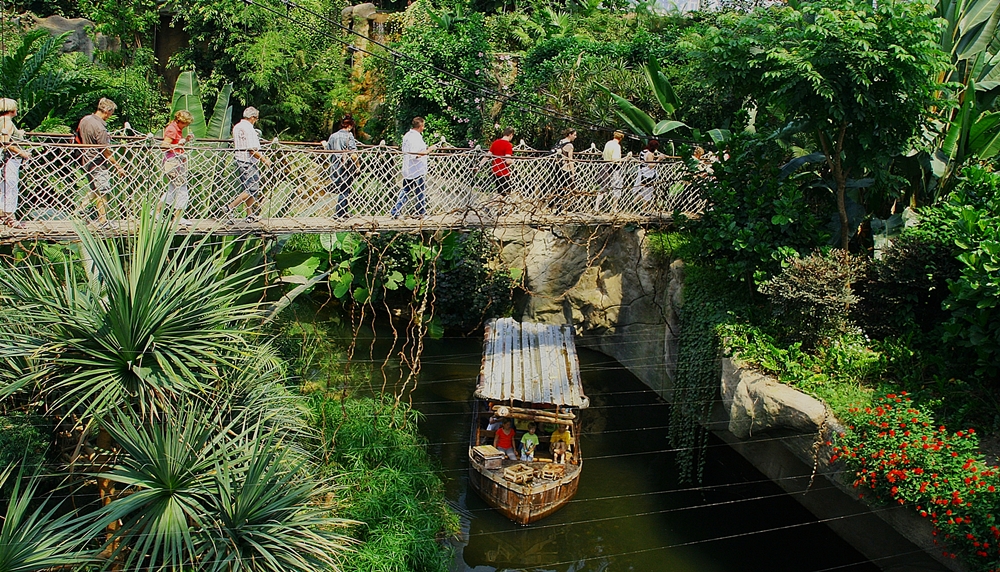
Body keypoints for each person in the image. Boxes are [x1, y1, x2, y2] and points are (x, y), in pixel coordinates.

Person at [76, 98, 126, 228]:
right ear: (107, 111)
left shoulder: (85, 120)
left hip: (85, 159)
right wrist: (118, 166)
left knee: (95, 189)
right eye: (111, 113)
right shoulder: (100, 128)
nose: (111, 116)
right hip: (97, 162)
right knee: (103, 191)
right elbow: (105, 151)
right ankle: (103, 220)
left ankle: (80, 210)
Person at [222, 107, 272, 223]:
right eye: (256, 119)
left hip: (240, 159)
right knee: (252, 188)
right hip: (249, 161)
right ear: (253, 118)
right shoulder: (249, 129)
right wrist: (265, 160)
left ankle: (250, 214)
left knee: (249, 188)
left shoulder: (237, 127)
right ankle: (229, 207)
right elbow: (251, 149)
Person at [390, 116, 438, 219]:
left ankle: (396, 211)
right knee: (420, 191)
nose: (424, 128)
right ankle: (421, 212)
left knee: (406, 190)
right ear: (420, 126)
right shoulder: (415, 137)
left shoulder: (407, 135)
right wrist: (430, 149)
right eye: (423, 125)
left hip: (409, 169)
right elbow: (415, 154)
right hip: (416, 169)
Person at [0, 98, 31, 228]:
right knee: (11, 188)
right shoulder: (7, 122)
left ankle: (3, 215)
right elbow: (5, 141)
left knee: (3, 188)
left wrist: (19, 133)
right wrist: (22, 153)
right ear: (11, 109)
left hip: (5, 160)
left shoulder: (3, 121)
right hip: (10, 160)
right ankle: (10, 217)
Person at [160, 110, 195, 226]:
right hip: (173, 162)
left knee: (172, 190)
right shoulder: (172, 129)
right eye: (185, 124)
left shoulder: (177, 129)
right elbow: (164, 146)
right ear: (180, 121)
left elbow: (176, 143)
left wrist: (185, 140)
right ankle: (177, 217)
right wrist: (177, 145)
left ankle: (157, 212)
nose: (186, 126)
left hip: (176, 160)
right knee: (182, 190)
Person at [326, 115, 359, 218]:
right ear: (349, 125)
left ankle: (344, 212)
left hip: (335, 167)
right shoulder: (349, 136)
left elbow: (328, 150)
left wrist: (323, 144)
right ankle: (339, 213)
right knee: (345, 190)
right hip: (346, 168)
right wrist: (358, 166)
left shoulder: (333, 136)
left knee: (343, 189)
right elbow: (353, 153)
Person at [550, 128, 576, 213]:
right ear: (570, 134)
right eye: (574, 135)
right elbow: (570, 160)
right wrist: (573, 173)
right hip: (565, 169)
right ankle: (561, 209)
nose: (575, 137)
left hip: (558, 169)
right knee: (566, 189)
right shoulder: (570, 146)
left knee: (558, 188)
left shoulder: (560, 142)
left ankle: (555, 207)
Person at [598, 130, 624, 212]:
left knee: (603, 188)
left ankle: (596, 207)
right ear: (621, 138)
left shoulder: (608, 143)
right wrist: (623, 160)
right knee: (616, 188)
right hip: (614, 168)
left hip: (605, 166)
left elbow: (603, 155)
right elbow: (614, 159)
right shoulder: (617, 146)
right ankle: (614, 208)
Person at [489, 127, 515, 197]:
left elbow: (487, 156)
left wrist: (479, 165)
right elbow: (508, 161)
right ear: (511, 135)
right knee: (504, 194)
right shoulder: (508, 145)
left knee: (501, 193)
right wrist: (513, 161)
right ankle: (487, 206)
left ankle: (497, 207)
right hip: (503, 173)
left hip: (495, 172)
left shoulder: (495, 143)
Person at [633, 139, 660, 204]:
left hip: (642, 172)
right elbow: (650, 165)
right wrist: (659, 159)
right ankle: (642, 208)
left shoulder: (643, 152)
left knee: (644, 190)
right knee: (648, 190)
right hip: (647, 174)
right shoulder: (650, 154)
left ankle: (635, 203)